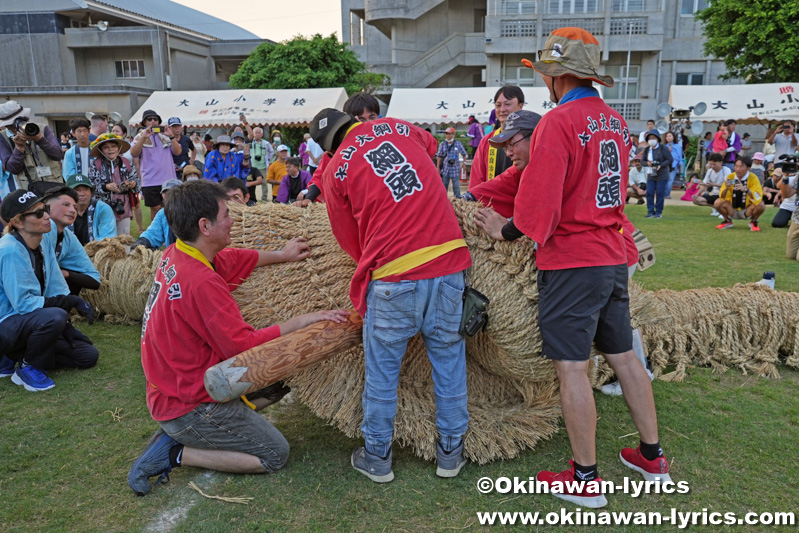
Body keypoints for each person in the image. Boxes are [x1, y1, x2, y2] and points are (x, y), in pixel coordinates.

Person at [474, 27, 671, 508]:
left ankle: (584, 479)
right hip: (610, 252)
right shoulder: (615, 122)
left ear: (557, 77)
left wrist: (503, 230)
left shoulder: (557, 123)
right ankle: (653, 458)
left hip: (573, 261)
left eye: (545, 73)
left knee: (572, 369)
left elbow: (540, 202)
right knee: (626, 358)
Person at [127, 179, 348, 496]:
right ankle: (173, 451)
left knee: (280, 382)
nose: (232, 219)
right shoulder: (201, 281)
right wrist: (304, 320)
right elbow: (243, 348)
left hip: (171, 390)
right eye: (226, 214)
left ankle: (192, 431)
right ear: (205, 225)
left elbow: (231, 260)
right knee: (274, 454)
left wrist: (281, 255)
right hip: (187, 404)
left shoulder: (179, 253)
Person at [310, 108, 472, 483]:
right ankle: (450, 454)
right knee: (449, 365)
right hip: (448, 264)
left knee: (382, 374)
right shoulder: (397, 126)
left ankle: (377, 456)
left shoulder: (336, 170)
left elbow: (349, 239)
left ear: (328, 148)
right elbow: (430, 146)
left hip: (393, 277)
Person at [0, 190, 97, 392]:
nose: (46, 216)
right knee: (54, 316)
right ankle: (28, 367)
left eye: (45, 209)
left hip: (27, 322)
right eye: (37, 213)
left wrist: (67, 325)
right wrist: (69, 303)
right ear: (17, 222)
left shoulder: (42, 240)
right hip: (7, 322)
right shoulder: (10, 249)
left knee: (87, 355)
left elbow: (56, 283)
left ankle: (13, 357)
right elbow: (24, 303)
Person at [41, 186, 101, 296]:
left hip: (41, 295)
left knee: (72, 278)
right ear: (47, 208)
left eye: (74, 206)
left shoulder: (68, 236)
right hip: (20, 299)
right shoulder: (39, 230)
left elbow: (94, 280)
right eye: (66, 205)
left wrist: (66, 273)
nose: (73, 210)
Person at [0, 101, 64, 195]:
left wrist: (40, 139)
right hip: (29, 191)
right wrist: (19, 148)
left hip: (54, 186)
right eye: (14, 124)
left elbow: (58, 155)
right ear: (7, 126)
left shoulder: (41, 128)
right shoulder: (3, 137)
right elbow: (13, 169)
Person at [129, 109, 181, 222]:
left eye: (155, 119)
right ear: (144, 122)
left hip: (168, 179)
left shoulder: (166, 135)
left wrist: (171, 136)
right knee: (156, 209)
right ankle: (157, 235)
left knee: (170, 208)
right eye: (149, 119)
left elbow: (177, 152)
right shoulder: (139, 137)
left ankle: (171, 234)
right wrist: (144, 137)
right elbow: (134, 153)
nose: (153, 121)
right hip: (150, 180)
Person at [469, 86, 525, 188]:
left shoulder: (529, 137)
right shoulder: (487, 140)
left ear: (520, 106)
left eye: (507, 104)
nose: (502, 109)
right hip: (491, 202)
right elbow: (477, 178)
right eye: (498, 105)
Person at [88, 133, 139, 236]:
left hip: (124, 205)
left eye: (113, 146)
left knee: (124, 236)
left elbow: (136, 180)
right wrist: (105, 187)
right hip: (103, 205)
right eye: (106, 147)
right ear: (101, 150)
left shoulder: (127, 162)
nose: (110, 149)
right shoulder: (95, 164)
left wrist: (133, 184)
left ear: (118, 148)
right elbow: (90, 186)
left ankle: (125, 253)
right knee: (106, 237)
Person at [713, 156, 765, 231]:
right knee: (717, 202)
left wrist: (746, 190)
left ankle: (754, 221)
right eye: (736, 166)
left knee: (761, 204)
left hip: (747, 210)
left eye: (741, 166)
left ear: (748, 168)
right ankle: (727, 221)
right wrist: (726, 189)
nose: (738, 169)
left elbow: (758, 196)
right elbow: (722, 196)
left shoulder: (753, 178)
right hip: (732, 209)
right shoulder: (731, 177)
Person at [66, 174, 117, 245]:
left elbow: (108, 239)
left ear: (91, 192)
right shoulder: (62, 211)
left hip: (97, 253)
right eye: (77, 190)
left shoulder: (103, 209)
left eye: (86, 189)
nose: (82, 193)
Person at [132, 179, 183, 250]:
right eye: (167, 193)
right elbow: (153, 233)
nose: (171, 196)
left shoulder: (191, 212)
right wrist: (142, 242)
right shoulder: (162, 213)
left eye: (174, 193)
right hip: (172, 255)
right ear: (162, 195)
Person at [641, 129, 673, 219]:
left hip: (662, 174)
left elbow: (670, 159)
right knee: (650, 192)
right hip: (651, 174)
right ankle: (650, 211)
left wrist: (660, 165)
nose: (652, 140)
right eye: (650, 138)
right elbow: (642, 161)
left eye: (653, 138)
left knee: (660, 193)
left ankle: (658, 212)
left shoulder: (663, 148)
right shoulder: (647, 150)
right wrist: (648, 163)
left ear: (658, 139)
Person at [436, 127, 468, 198]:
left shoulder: (458, 144)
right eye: (447, 134)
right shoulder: (442, 144)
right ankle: (443, 200)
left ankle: (458, 201)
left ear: (453, 135)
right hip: (445, 169)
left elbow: (464, 154)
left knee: (456, 187)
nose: (448, 135)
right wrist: (438, 167)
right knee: (444, 186)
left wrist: (464, 164)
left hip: (455, 169)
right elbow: (439, 156)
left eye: (450, 134)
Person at [249, 127, 274, 201]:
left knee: (264, 182)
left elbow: (272, 151)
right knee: (252, 182)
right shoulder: (250, 143)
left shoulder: (266, 143)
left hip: (262, 165)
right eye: (255, 133)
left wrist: (268, 158)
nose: (257, 134)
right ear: (253, 134)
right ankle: (252, 197)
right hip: (252, 166)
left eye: (258, 133)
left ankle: (264, 197)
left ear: (262, 134)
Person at [663, 131, 683, 199]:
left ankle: (667, 194)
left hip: (674, 165)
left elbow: (680, 156)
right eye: (667, 136)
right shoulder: (664, 146)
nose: (668, 137)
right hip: (665, 165)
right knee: (664, 180)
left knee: (670, 180)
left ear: (673, 137)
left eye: (670, 136)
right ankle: (663, 193)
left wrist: (680, 164)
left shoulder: (677, 146)